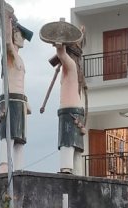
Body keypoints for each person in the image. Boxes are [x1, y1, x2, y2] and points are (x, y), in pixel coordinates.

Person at [0, 2, 33, 173]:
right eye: (20, 34)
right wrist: (7, 18)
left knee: (20, 138)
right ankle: (4, 166)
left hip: (20, 99)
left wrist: (27, 103)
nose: (22, 38)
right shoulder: (10, 53)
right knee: (8, 134)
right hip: (9, 97)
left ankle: (19, 168)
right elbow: (5, 40)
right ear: (14, 35)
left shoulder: (21, 59)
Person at [53, 40, 86, 174]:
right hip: (75, 111)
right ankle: (76, 172)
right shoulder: (72, 70)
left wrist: (60, 45)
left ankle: (67, 168)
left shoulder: (71, 65)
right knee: (75, 149)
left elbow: (61, 54)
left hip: (70, 112)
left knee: (68, 145)